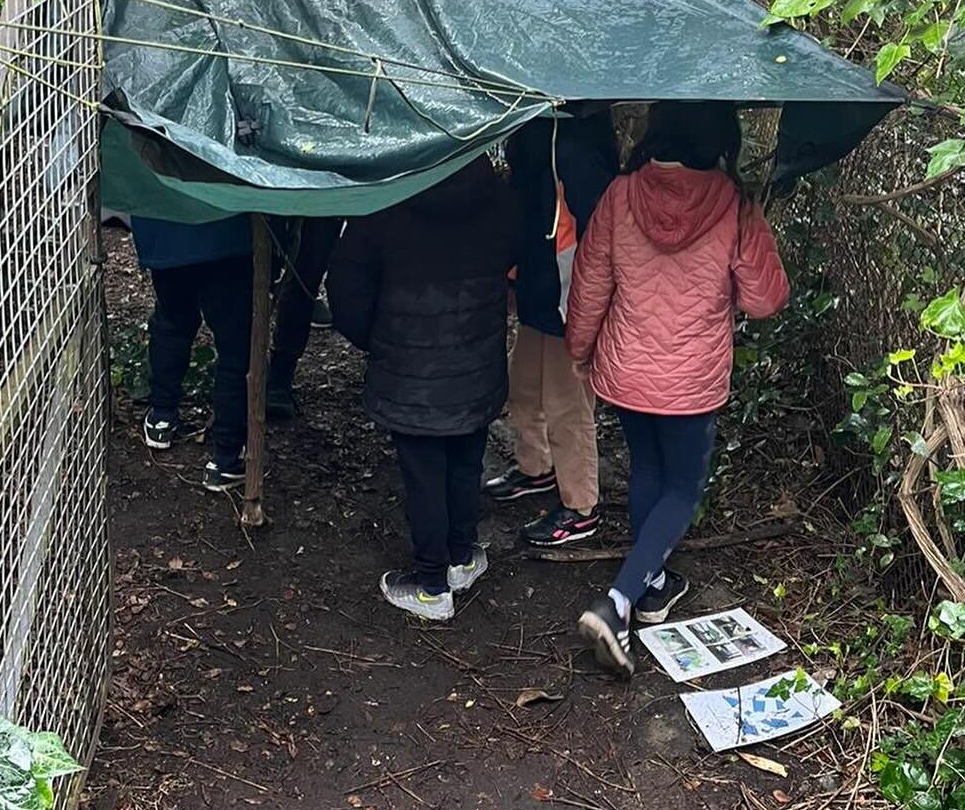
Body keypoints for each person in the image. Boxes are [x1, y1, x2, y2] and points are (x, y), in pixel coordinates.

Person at [564, 102, 790, 677]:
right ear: (721, 137)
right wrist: (750, 231)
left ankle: (654, 584)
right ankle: (616, 603)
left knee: (647, 472)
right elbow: (765, 300)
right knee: (683, 490)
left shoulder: (620, 195)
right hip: (691, 377)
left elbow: (591, 283)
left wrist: (580, 351)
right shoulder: (733, 204)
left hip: (627, 367)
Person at [328, 156, 518, 621]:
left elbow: (347, 290)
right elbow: (512, 255)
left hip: (410, 371)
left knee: (424, 475)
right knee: (465, 460)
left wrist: (378, 341)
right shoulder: (497, 200)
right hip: (475, 365)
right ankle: (460, 557)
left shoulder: (386, 203)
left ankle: (432, 586)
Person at [485, 110, 618, 547]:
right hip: (537, 281)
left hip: (568, 292)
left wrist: (585, 304)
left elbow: (593, 228)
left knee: (568, 403)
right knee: (524, 387)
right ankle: (535, 467)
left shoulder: (579, 139)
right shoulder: (534, 125)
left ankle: (581, 506)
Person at [131, 214, 255, 492]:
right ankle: (227, 456)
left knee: (172, 320)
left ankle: (162, 415)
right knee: (236, 344)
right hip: (228, 230)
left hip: (164, 229)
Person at [266, 217, 343, 419]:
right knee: (257, 271)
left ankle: (279, 376)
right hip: (268, 194)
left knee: (305, 276)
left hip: (326, 200)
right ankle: (240, 375)